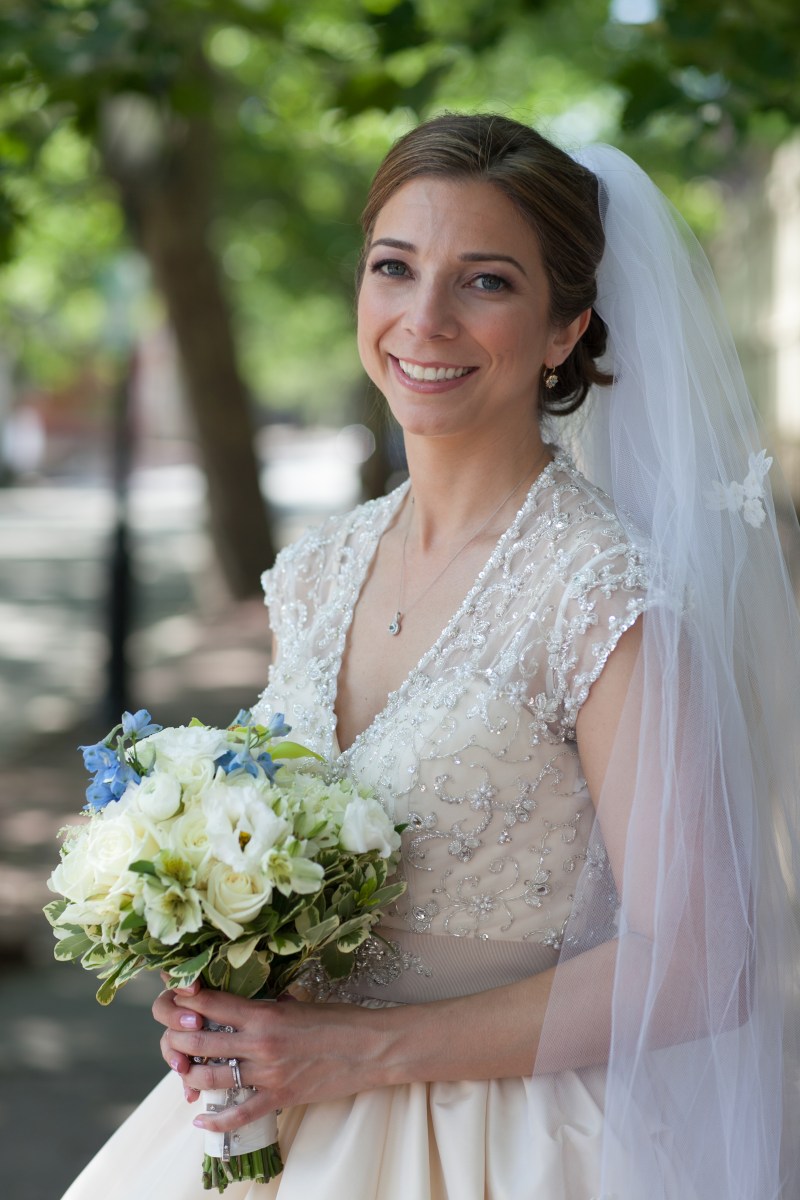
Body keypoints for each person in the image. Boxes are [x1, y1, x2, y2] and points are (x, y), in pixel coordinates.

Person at [60, 114, 800, 1200]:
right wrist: (222, 981)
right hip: (274, 1125)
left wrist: (360, 1053)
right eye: (392, 268)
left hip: (508, 1146)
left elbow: (701, 964)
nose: (424, 317)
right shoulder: (317, 571)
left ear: (564, 330)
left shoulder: (601, 594)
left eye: (485, 282)